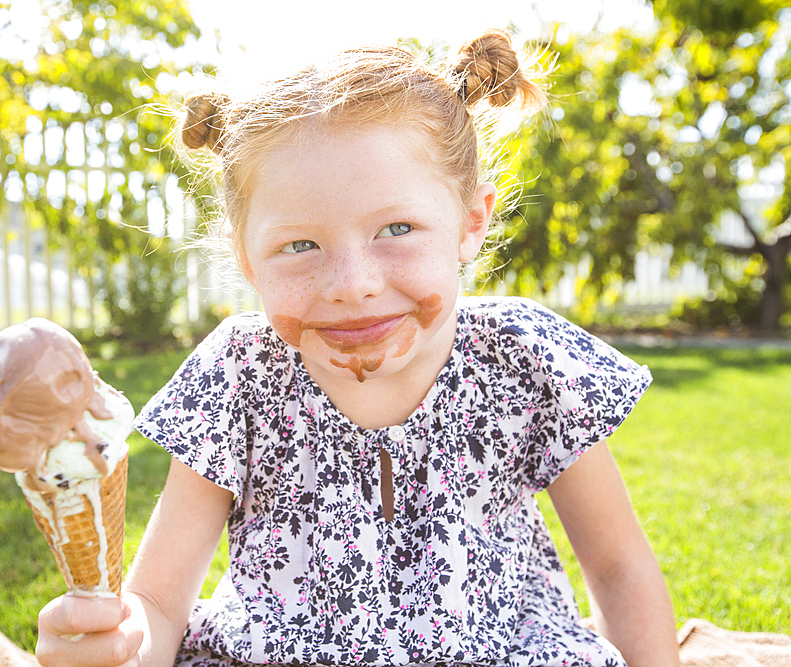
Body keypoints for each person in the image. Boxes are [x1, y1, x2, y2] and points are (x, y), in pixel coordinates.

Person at [36, 30, 681, 667]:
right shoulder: (240, 371)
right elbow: (159, 598)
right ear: (246, 257)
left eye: (397, 229)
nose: (353, 286)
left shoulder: (524, 358)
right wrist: (119, 648)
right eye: (299, 246)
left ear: (471, 222)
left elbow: (618, 566)